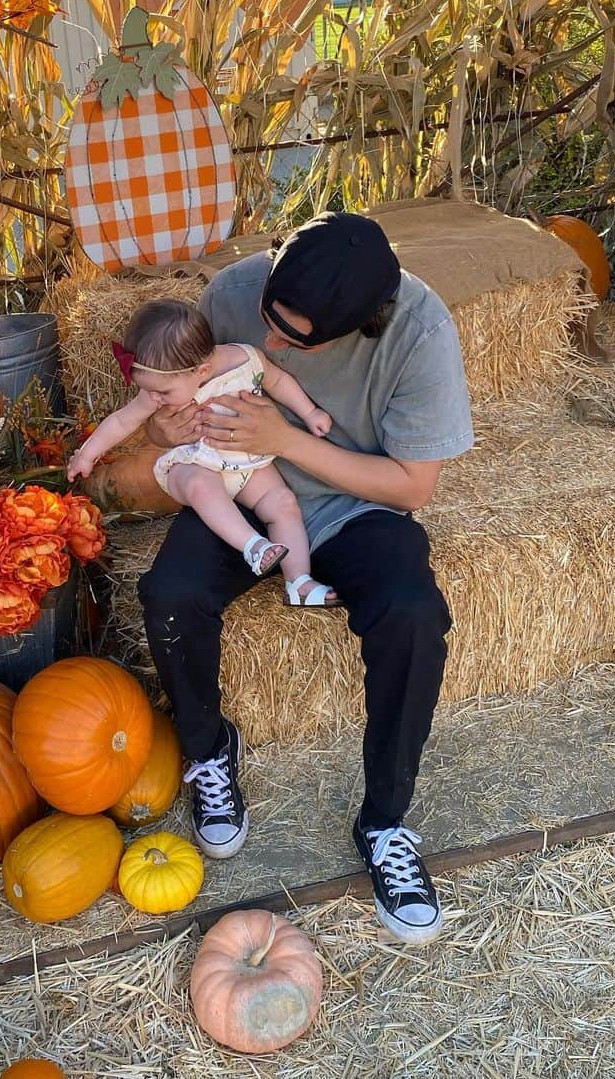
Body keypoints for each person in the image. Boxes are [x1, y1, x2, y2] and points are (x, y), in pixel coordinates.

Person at [137, 211, 474, 946]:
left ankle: (385, 824)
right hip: (242, 489)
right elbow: (168, 410)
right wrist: (172, 426)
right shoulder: (233, 292)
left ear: (366, 322)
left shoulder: (419, 330)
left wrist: (285, 437)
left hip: (358, 509)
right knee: (169, 596)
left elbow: (413, 488)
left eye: (297, 338)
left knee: (413, 614)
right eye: (269, 321)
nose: (274, 343)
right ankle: (209, 749)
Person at [67, 299, 342, 607]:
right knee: (201, 486)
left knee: (284, 503)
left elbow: (279, 382)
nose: (154, 398)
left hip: (246, 460)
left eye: (162, 393)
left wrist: (309, 412)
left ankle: (299, 582)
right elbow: (122, 420)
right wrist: (87, 454)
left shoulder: (247, 361)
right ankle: (252, 545)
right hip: (195, 461)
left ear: (203, 370)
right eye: (150, 391)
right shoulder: (161, 387)